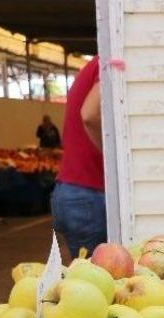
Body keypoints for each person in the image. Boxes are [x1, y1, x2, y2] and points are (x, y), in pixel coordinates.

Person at [51, 57, 105, 259]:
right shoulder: (107, 62)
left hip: (72, 190)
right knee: (94, 278)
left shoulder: (92, 67)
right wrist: (111, 158)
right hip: (88, 194)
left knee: (85, 276)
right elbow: (90, 115)